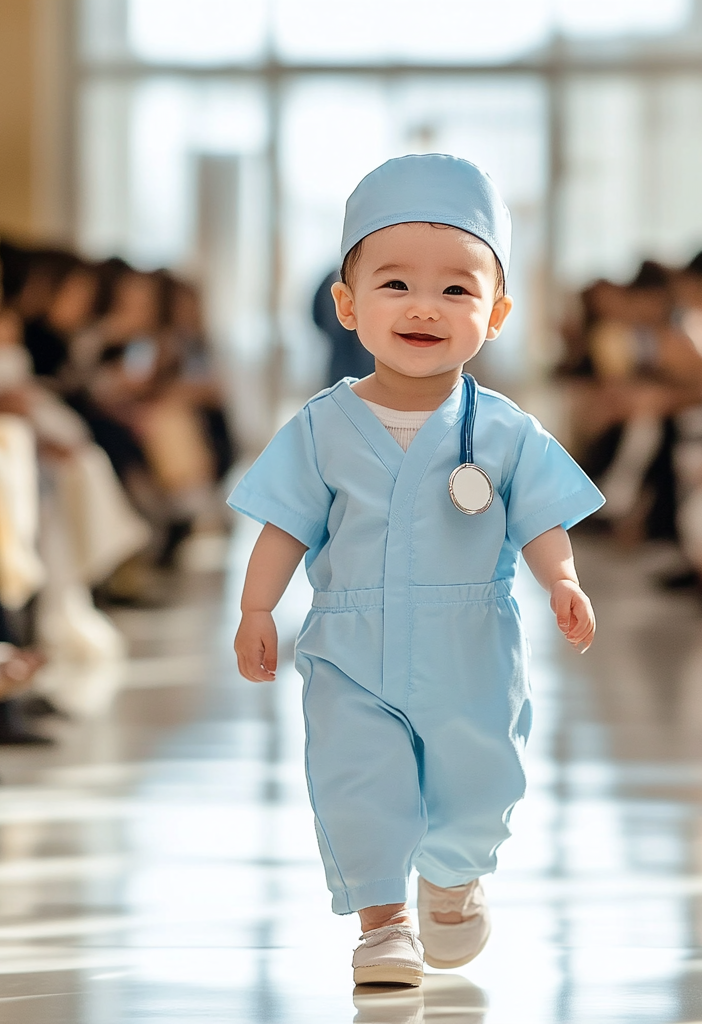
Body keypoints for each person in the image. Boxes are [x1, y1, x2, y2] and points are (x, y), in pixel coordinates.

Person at [228, 155, 603, 986]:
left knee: (479, 777)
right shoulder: (322, 426)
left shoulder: (505, 431)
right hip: (350, 644)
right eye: (395, 284)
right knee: (359, 781)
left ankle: (453, 876)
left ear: (497, 314)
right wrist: (259, 611)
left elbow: (539, 518)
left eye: (457, 290)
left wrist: (563, 580)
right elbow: (284, 526)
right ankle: (383, 924)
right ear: (346, 304)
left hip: (471, 643)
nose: (425, 306)